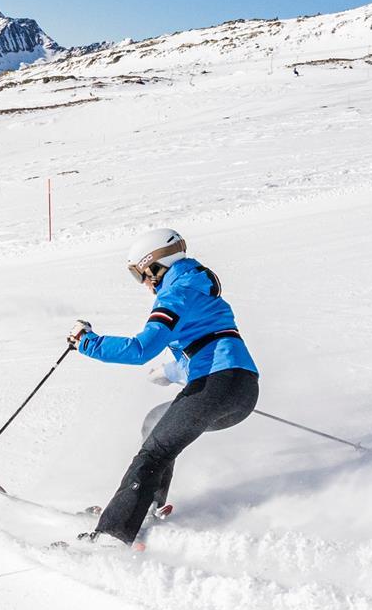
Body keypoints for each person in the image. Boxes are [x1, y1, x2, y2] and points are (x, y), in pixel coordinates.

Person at [66, 227, 259, 549]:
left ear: (155, 266)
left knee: (154, 453)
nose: (143, 283)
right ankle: (146, 507)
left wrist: (86, 342)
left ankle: (112, 537)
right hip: (240, 389)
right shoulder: (198, 287)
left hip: (217, 384)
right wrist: (171, 370)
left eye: (139, 274)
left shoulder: (176, 294)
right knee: (155, 422)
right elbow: (209, 344)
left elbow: (139, 349)